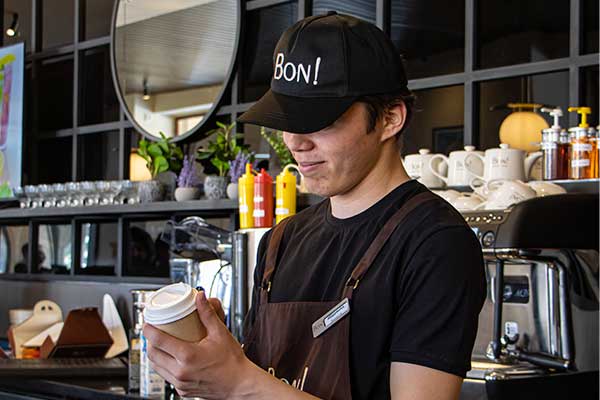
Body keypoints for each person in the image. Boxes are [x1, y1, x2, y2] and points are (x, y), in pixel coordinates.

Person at [143, 12, 486, 399]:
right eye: (287, 119)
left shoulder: (435, 243)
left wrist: (239, 381)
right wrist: (215, 363)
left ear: (390, 118)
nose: (294, 141)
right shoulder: (282, 239)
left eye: (320, 121)